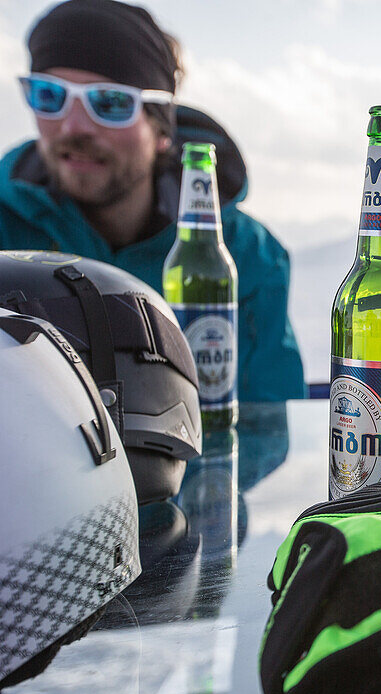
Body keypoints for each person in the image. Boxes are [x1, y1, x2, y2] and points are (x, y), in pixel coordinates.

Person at [0, 0, 306, 401]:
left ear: (161, 130)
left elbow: (266, 428)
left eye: (109, 102)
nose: (73, 126)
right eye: (48, 95)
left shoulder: (244, 255)